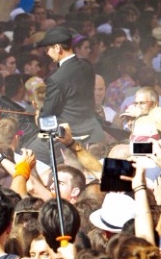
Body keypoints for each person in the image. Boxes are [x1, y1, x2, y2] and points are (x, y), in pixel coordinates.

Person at [28, 26, 105, 162]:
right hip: (92, 127)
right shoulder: (87, 66)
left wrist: (39, 118)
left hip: (71, 132)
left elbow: (48, 116)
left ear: (57, 48)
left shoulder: (56, 78)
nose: (47, 53)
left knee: (31, 152)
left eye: (48, 49)